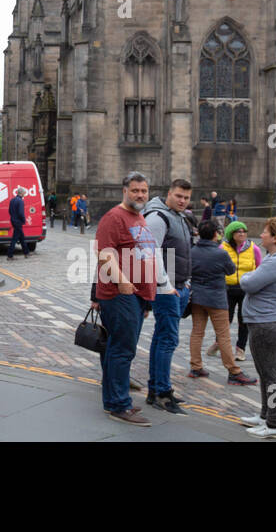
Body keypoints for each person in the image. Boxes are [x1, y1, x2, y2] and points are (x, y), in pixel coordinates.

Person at [92, 172, 157, 426]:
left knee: (117, 349)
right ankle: (119, 404)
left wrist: (147, 297)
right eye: (135, 190)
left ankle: (113, 400)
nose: (140, 195)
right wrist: (121, 281)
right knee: (123, 350)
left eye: (144, 191)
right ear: (124, 191)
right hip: (120, 294)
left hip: (137, 295)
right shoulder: (114, 217)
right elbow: (103, 254)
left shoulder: (138, 216)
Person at [236, 217, 276, 437]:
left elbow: (249, 283)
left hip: (267, 325)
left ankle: (273, 424)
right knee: (265, 373)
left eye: (265, 231)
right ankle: (265, 415)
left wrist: (246, 276)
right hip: (264, 323)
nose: (261, 235)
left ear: (275, 237)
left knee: (271, 376)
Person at [143, 177, 194, 415]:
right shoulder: (158, 217)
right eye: (178, 196)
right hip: (167, 289)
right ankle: (162, 392)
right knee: (168, 340)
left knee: (162, 338)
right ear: (169, 194)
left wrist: (187, 284)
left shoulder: (179, 217)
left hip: (179, 286)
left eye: (186, 197)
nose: (182, 201)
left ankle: (156, 389)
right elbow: (149, 254)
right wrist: (166, 285)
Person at [187, 220, 256, 386]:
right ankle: (233, 371)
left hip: (197, 297)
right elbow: (231, 270)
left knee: (197, 332)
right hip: (216, 298)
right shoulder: (220, 253)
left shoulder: (193, 251)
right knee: (223, 335)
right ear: (215, 234)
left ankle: (196, 367)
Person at [217, 221, 261, 362]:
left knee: (244, 321)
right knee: (225, 320)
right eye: (238, 231)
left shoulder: (253, 248)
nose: (242, 233)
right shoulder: (222, 247)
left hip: (245, 290)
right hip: (227, 289)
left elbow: (259, 268)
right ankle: (220, 343)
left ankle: (240, 349)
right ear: (231, 234)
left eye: (244, 231)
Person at [6, 186, 30, 260]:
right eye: (24, 193)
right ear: (21, 193)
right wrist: (23, 220)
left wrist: (13, 217)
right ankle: (10, 255)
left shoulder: (12, 200)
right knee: (15, 238)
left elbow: (9, 211)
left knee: (22, 237)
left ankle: (26, 253)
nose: (24, 194)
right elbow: (20, 213)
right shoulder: (20, 201)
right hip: (18, 221)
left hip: (13, 220)